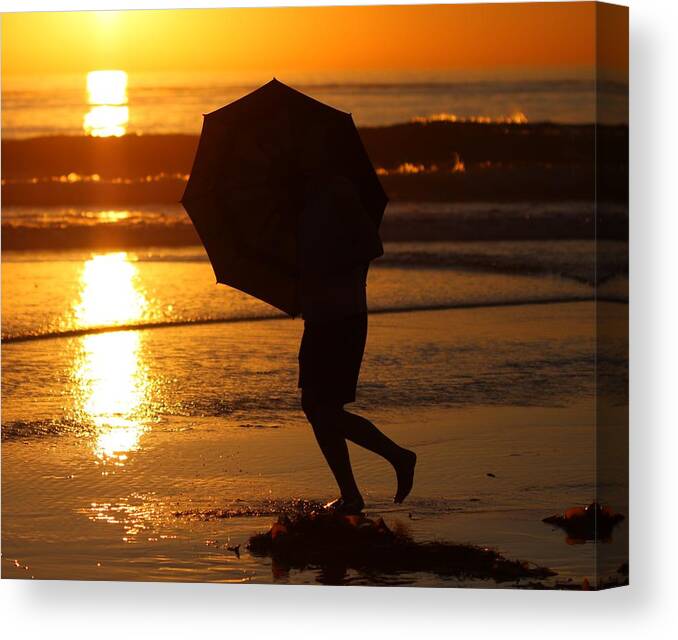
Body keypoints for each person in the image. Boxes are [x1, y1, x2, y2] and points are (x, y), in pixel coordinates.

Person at [297, 175, 417, 515]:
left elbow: (370, 247)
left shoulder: (338, 192)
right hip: (320, 317)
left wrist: (328, 262)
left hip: (342, 316)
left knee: (323, 409)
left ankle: (397, 458)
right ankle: (351, 493)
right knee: (315, 406)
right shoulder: (304, 201)